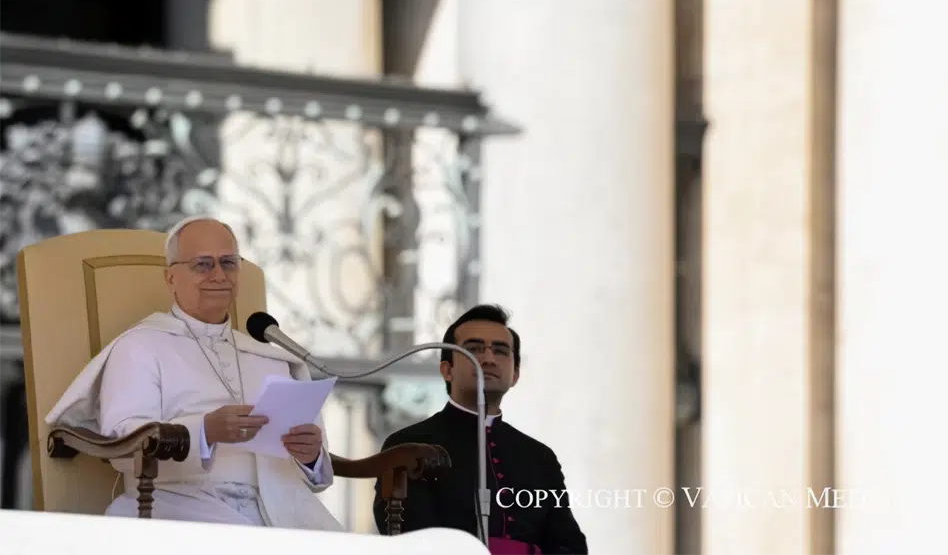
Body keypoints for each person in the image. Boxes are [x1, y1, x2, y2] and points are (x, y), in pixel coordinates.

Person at [45, 216, 342, 530]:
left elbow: (313, 473)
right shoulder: (140, 346)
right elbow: (123, 444)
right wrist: (205, 430)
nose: (218, 274)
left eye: (228, 262)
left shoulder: (267, 356)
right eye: (203, 264)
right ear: (171, 278)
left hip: (280, 507)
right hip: (179, 505)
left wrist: (311, 457)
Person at [373, 305, 588, 554]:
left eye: (500, 351)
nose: (488, 359)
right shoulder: (407, 445)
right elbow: (411, 539)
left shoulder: (540, 457)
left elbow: (570, 544)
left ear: (515, 374)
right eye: (473, 350)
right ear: (447, 369)